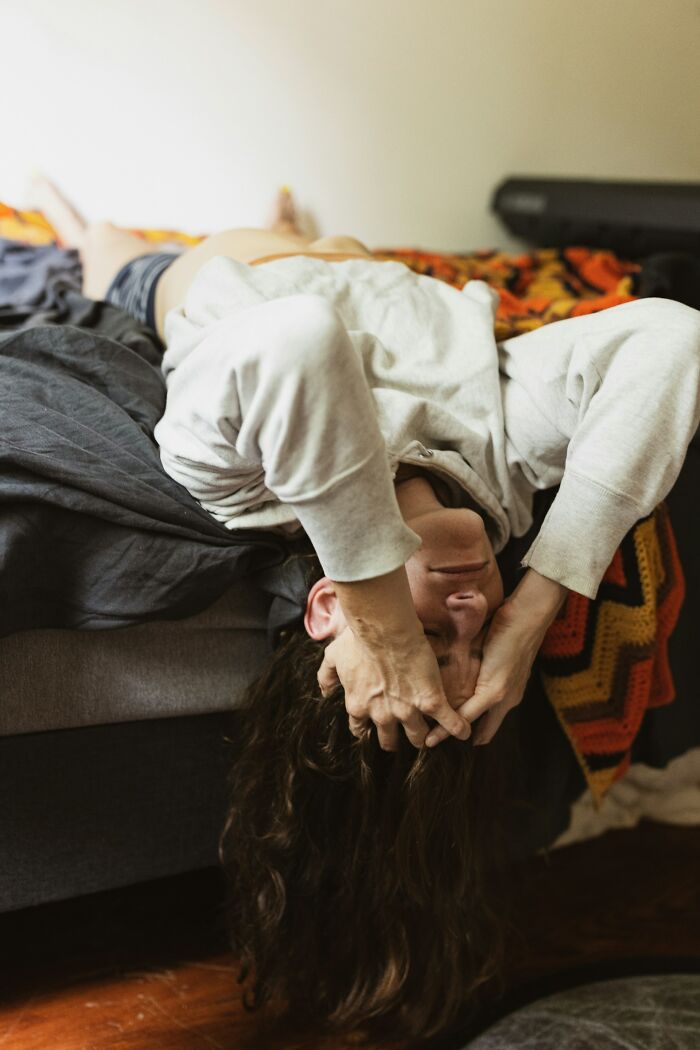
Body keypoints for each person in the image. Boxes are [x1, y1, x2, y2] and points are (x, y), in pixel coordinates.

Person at [30, 176, 700, 1038]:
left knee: (95, 238)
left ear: (325, 609)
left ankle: (114, 232)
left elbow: (299, 339)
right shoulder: (507, 468)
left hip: (187, 276)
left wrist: (378, 607)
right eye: (482, 637)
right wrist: (537, 607)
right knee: (310, 236)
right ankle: (286, 225)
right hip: (368, 266)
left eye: (428, 639)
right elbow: (674, 336)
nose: (468, 607)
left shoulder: (244, 481)